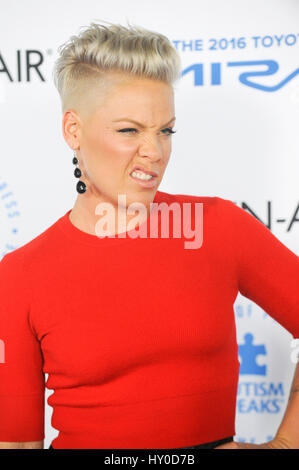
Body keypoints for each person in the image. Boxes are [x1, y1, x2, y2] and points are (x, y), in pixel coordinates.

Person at [0, 20, 298, 450]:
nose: (154, 152)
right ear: (73, 130)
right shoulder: (21, 274)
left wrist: (286, 443)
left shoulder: (219, 227)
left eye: (165, 130)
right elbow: (16, 443)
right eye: (129, 130)